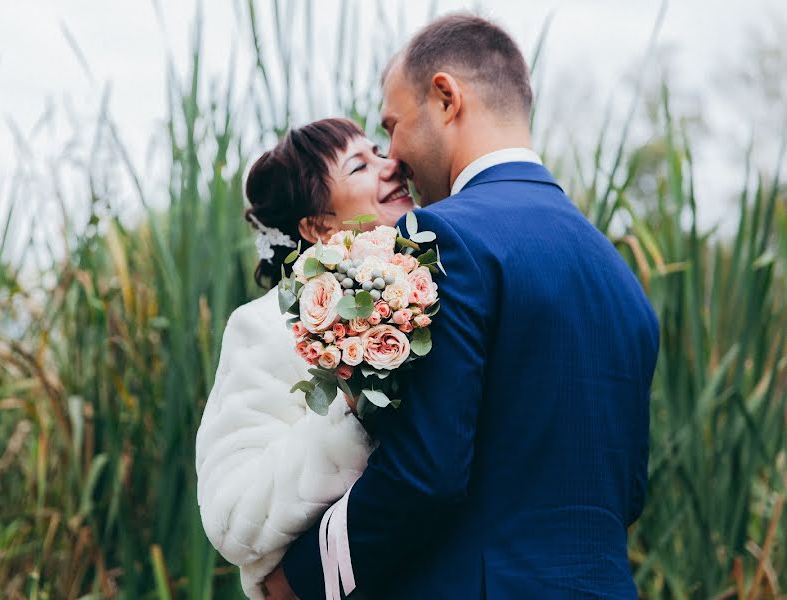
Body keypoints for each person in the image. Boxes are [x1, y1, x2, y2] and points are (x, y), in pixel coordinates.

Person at [264, 13, 660, 599]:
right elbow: (625, 494)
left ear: (445, 98)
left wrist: (301, 581)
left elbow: (426, 475)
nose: (393, 156)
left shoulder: (442, 238)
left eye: (393, 125)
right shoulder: (622, 281)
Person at [195, 118, 416, 600]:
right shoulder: (268, 326)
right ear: (318, 226)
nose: (391, 164)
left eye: (379, 151)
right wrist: (354, 419)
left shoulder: (436, 289)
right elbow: (232, 515)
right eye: (361, 165)